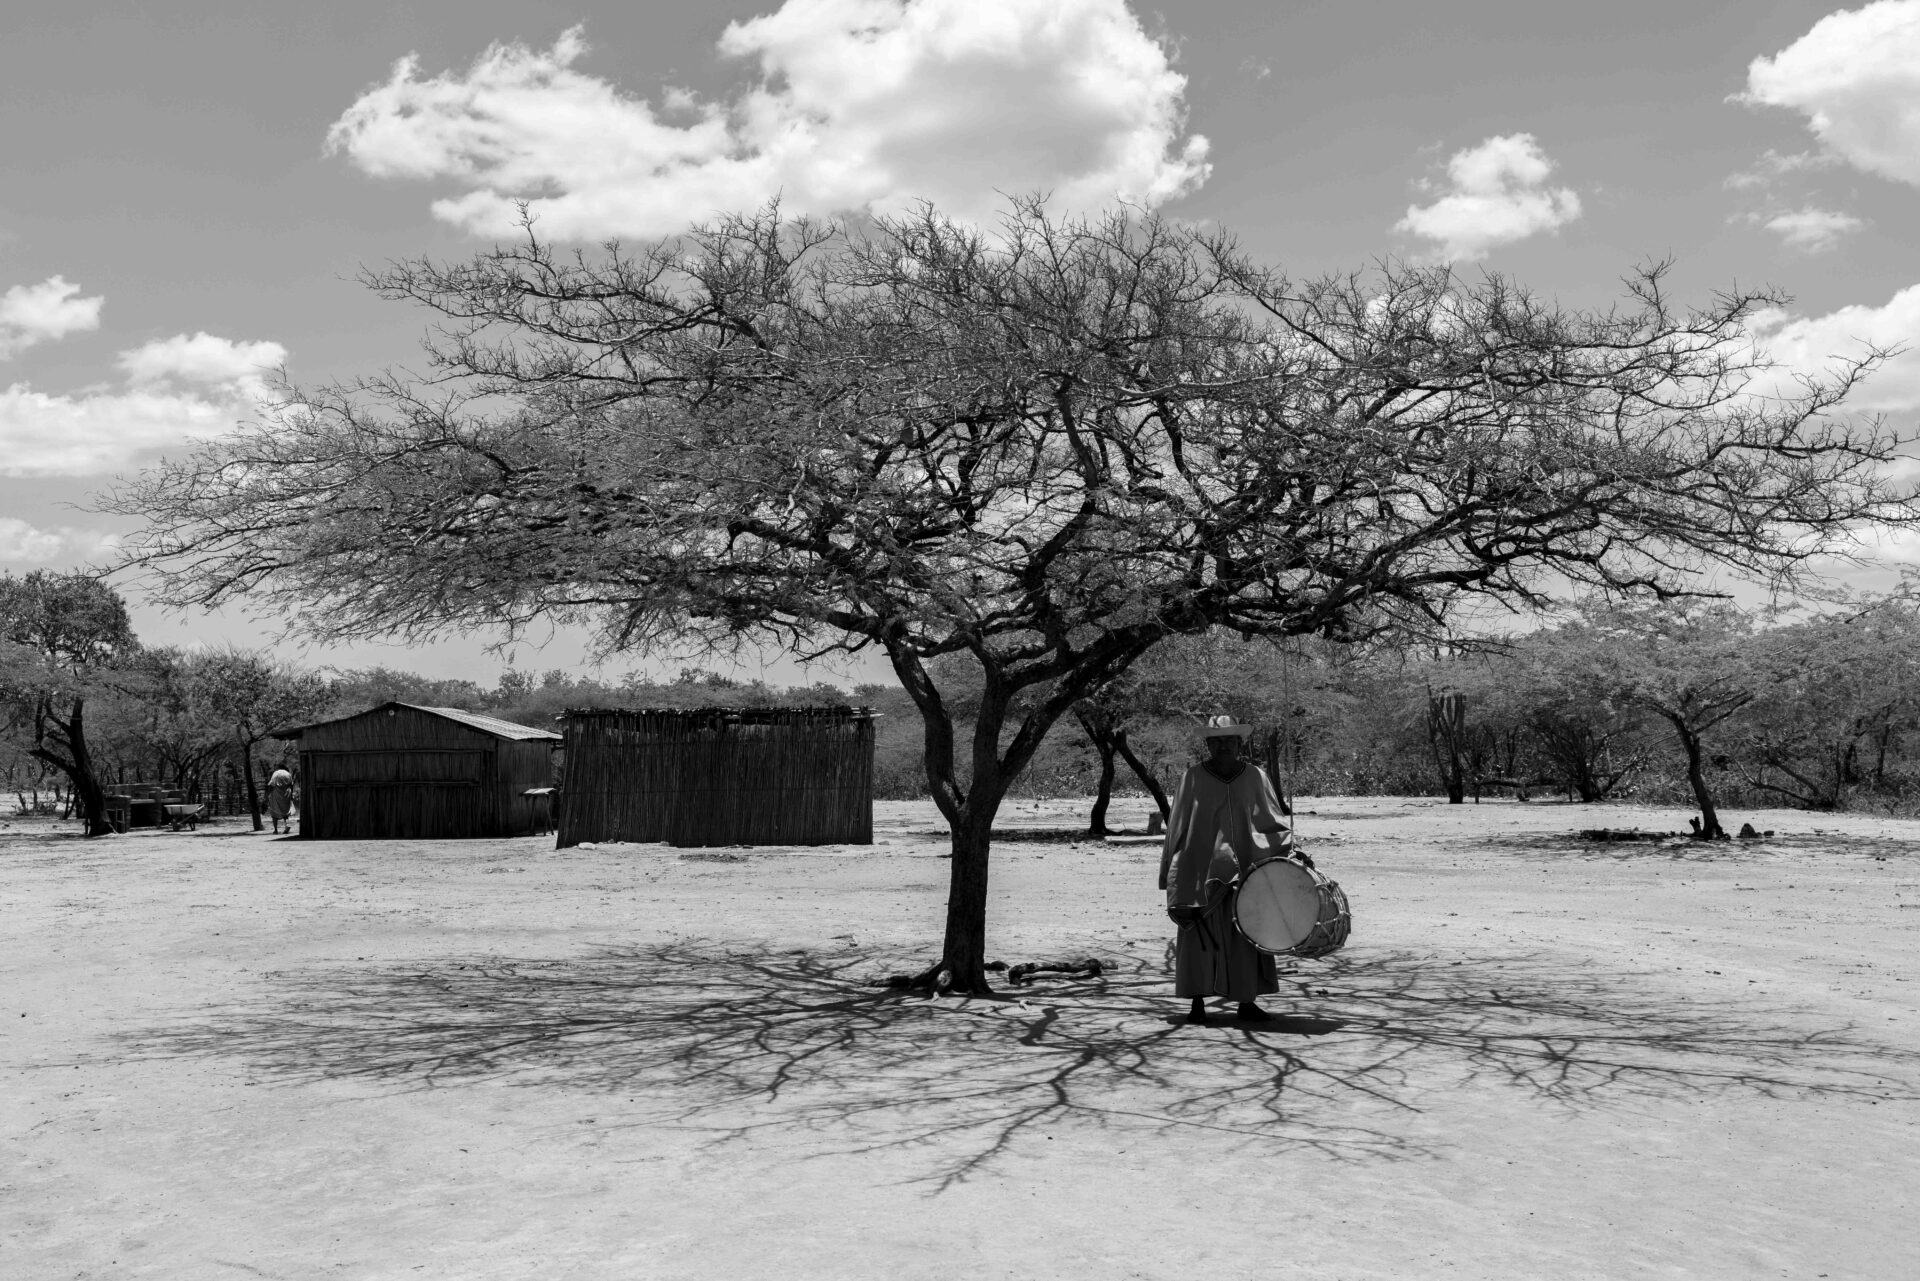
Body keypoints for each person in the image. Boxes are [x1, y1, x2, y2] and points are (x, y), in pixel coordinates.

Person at [1157, 714, 1292, 1025]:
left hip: (1246, 870)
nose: (1222, 746)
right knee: (1197, 940)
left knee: (1246, 935)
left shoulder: (1256, 777)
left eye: (1229, 740)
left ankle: (1246, 1002)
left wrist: (1287, 849)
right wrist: (1172, 873)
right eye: (1215, 741)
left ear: (1239, 742)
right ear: (1207, 744)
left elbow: (1272, 820)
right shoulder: (1191, 778)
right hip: (1197, 871)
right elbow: (1177, 827)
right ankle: (1196, 1004)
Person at [265, 767, 295, 835]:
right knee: (286, 811)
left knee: (274, 811)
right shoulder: (288, 774)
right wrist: (291, 795)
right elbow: (291, 785)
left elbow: (271, 785)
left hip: (277, 794)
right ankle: (287, 825)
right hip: (287, 793)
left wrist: (267, 795)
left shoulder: (276, 774)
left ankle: (275, 830)